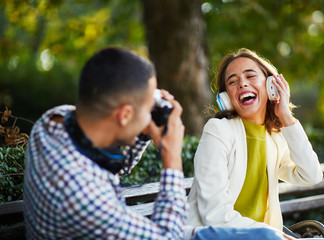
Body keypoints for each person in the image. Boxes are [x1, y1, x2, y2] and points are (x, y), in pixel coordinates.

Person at [23, 47, 293, 240]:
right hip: (160, 231)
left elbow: (110, 161)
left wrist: (142, 108)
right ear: (124, 114)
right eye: (145, 109)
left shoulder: (52, 122)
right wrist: (171, 157)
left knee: (262, 236)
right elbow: (167, 236)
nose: (149, 116)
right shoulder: (88, 202)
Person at [186, 48, 324, 230]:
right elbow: (215, 215)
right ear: (226, 98)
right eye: (232, 81)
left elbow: (311, 176)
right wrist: (277, 236)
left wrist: (286, 117)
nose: (242, 84)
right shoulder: (218, 130)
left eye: (250, 76)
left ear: (271, 85)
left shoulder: (275, 138)